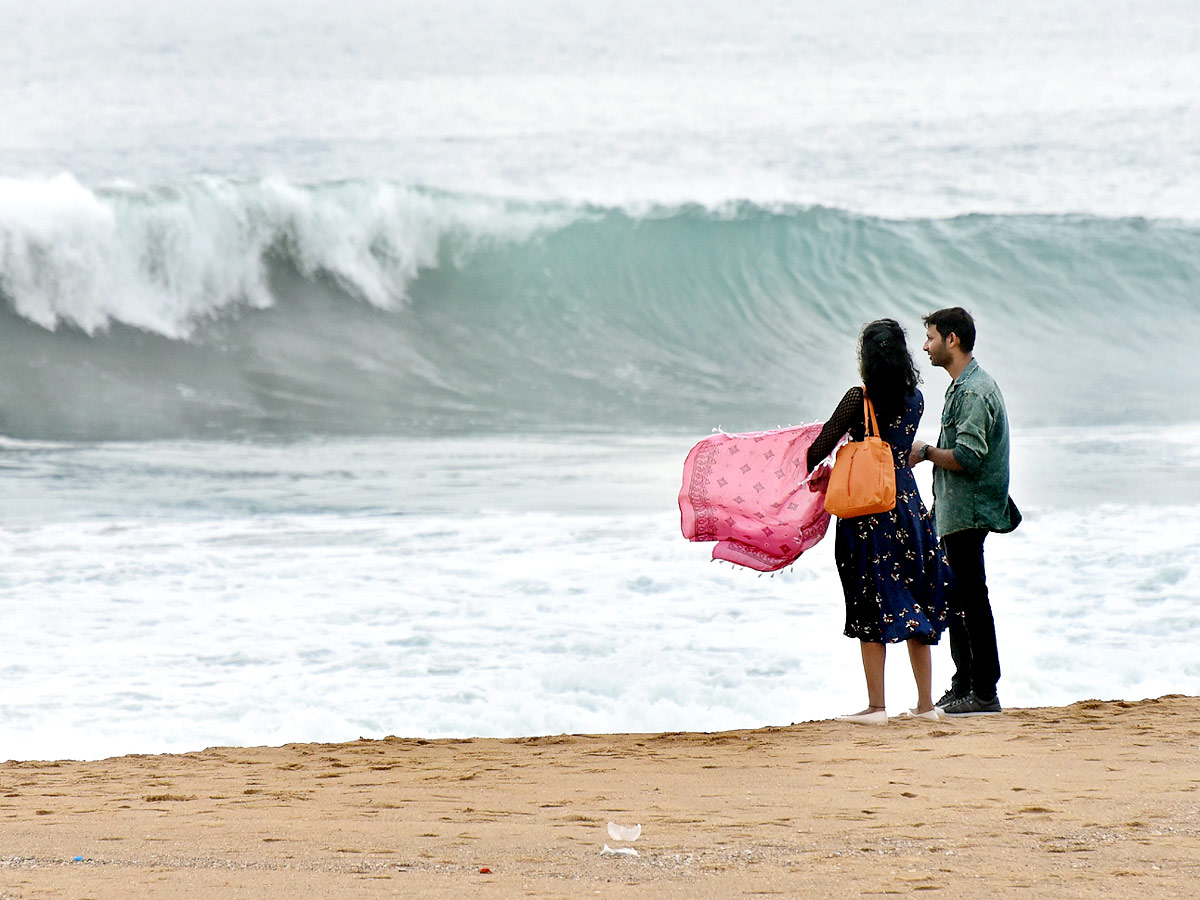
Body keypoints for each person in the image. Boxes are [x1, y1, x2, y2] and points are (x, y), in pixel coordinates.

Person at [806, 319, 951, 725]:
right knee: (914, 599)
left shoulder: (858, 399)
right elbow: (899, 448)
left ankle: (876, 707)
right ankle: (926, 706)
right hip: (908, 508)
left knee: (871, 601)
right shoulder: (916, 398)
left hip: (869, 515)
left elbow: (817, 449)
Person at [909, 307, 1021, 716]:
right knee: (958, 597)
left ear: (951, 340)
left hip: (969, 510)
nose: (926, 346)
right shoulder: (964, 386)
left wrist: (925, 453)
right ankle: (964, 685)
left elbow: (970, 458)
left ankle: (984, 691)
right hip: (957, 509)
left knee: (971, 598)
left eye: (932, 337)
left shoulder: (973, 392)